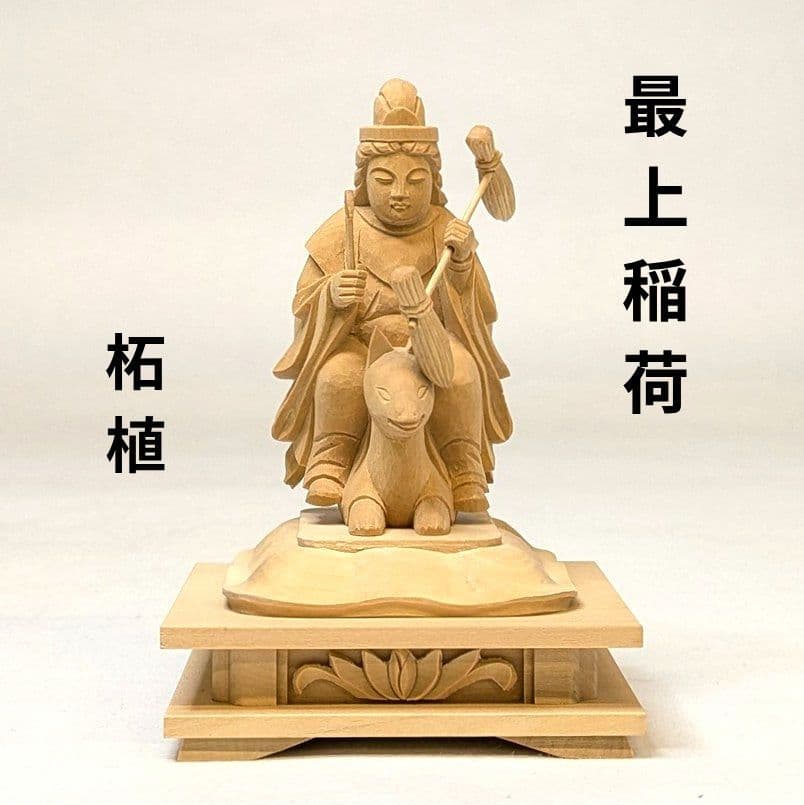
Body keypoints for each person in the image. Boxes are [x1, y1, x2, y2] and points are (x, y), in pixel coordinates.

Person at [272, 79, 512, 513]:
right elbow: (304, 304)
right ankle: (332, 460)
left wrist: (461, 266)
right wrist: (331, 296)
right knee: (339, 374)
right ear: (365, 180)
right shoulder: (344, 230)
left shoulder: (444, 228)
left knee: (460, 372)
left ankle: (462, 466)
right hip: (363, 346)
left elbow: (476, 309)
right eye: (384, 180)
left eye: (415, 181)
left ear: (432, 182)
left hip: (429, 345)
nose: (400, 193)